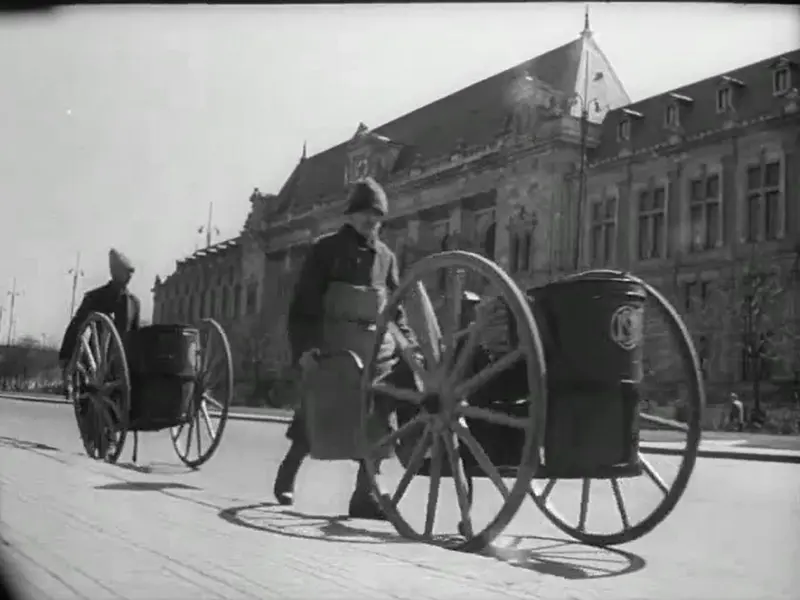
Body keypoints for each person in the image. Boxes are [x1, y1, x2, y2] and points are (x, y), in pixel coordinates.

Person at [273, 178, 419, 520]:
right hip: (334, 344)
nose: (372, 221)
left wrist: (410, 347)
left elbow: (396, 310)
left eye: (378, 215)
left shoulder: (386, 257)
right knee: (319, 410)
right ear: (351, 214)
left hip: (377, 349)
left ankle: (364, 495)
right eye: (366, 213)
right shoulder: (325, 250)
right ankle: (288, 472)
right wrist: (306, 348)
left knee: (380, 416)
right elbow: (304, 304)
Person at [58, 249, 140, 450]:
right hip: (97, 359)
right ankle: (95, 436)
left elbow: (135, 334)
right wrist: (66, 357)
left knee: (117, 397)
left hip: (122, 361)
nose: (129, 276)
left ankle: (109, 435)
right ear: (114, 272)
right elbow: (77, 326)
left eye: (131, 272)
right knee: (89, 394)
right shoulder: (96, 297)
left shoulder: (134, 303)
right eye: (125, 271)